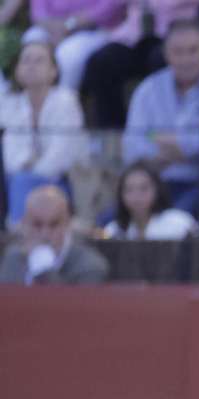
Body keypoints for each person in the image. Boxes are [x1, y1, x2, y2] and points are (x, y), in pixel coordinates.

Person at [121, 18, 199, 214]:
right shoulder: (148, 89)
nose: (186, 60)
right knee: (108, 224)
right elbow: (133, 147)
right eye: (178, 52)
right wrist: (190, 146)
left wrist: (166, 141)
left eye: (193, 50)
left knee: (176, 217)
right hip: (155, 184)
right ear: (166, 53)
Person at [1, 38, 85, 224]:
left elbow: (61, 158)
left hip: (63, 182)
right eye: (26, 60)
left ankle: (18, 233)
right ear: (17, 70)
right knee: (19, 180)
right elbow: (11, 161)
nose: (32, 65)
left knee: (22, 181)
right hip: (18, 182)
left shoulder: (66, 101)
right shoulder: (10, 105)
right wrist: (30, 165)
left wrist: (32, 166)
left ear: (54, 71)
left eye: (39, 60)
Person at [80, 0, 199, 128]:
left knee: (164, 60)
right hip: (134, 34)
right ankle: (113, 133)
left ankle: (167, 130)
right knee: (101, 61)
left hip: (176, 33)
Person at [0, 184, 107, 283]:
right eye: (37, 224)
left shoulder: (89, 266)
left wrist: (43, 268)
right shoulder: (12, 258)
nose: (45, 234)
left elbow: (64, 303)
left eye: (54, 224)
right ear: (24, 224)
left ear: (68, 223)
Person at [29, 0, 123, 90]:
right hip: (51, 26)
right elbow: (38, 11)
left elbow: (109, 6)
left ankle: (65, 101)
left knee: (68, 53)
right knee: (32, 39)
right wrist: (54, 28)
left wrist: (69, 25)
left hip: (95, 29)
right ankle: (32, 99)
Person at [104, 159, 197, 237]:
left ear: (157, 190)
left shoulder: (179, 223)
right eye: (129, 189)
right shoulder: (113, 230)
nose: (136, 196)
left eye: (144, 189)